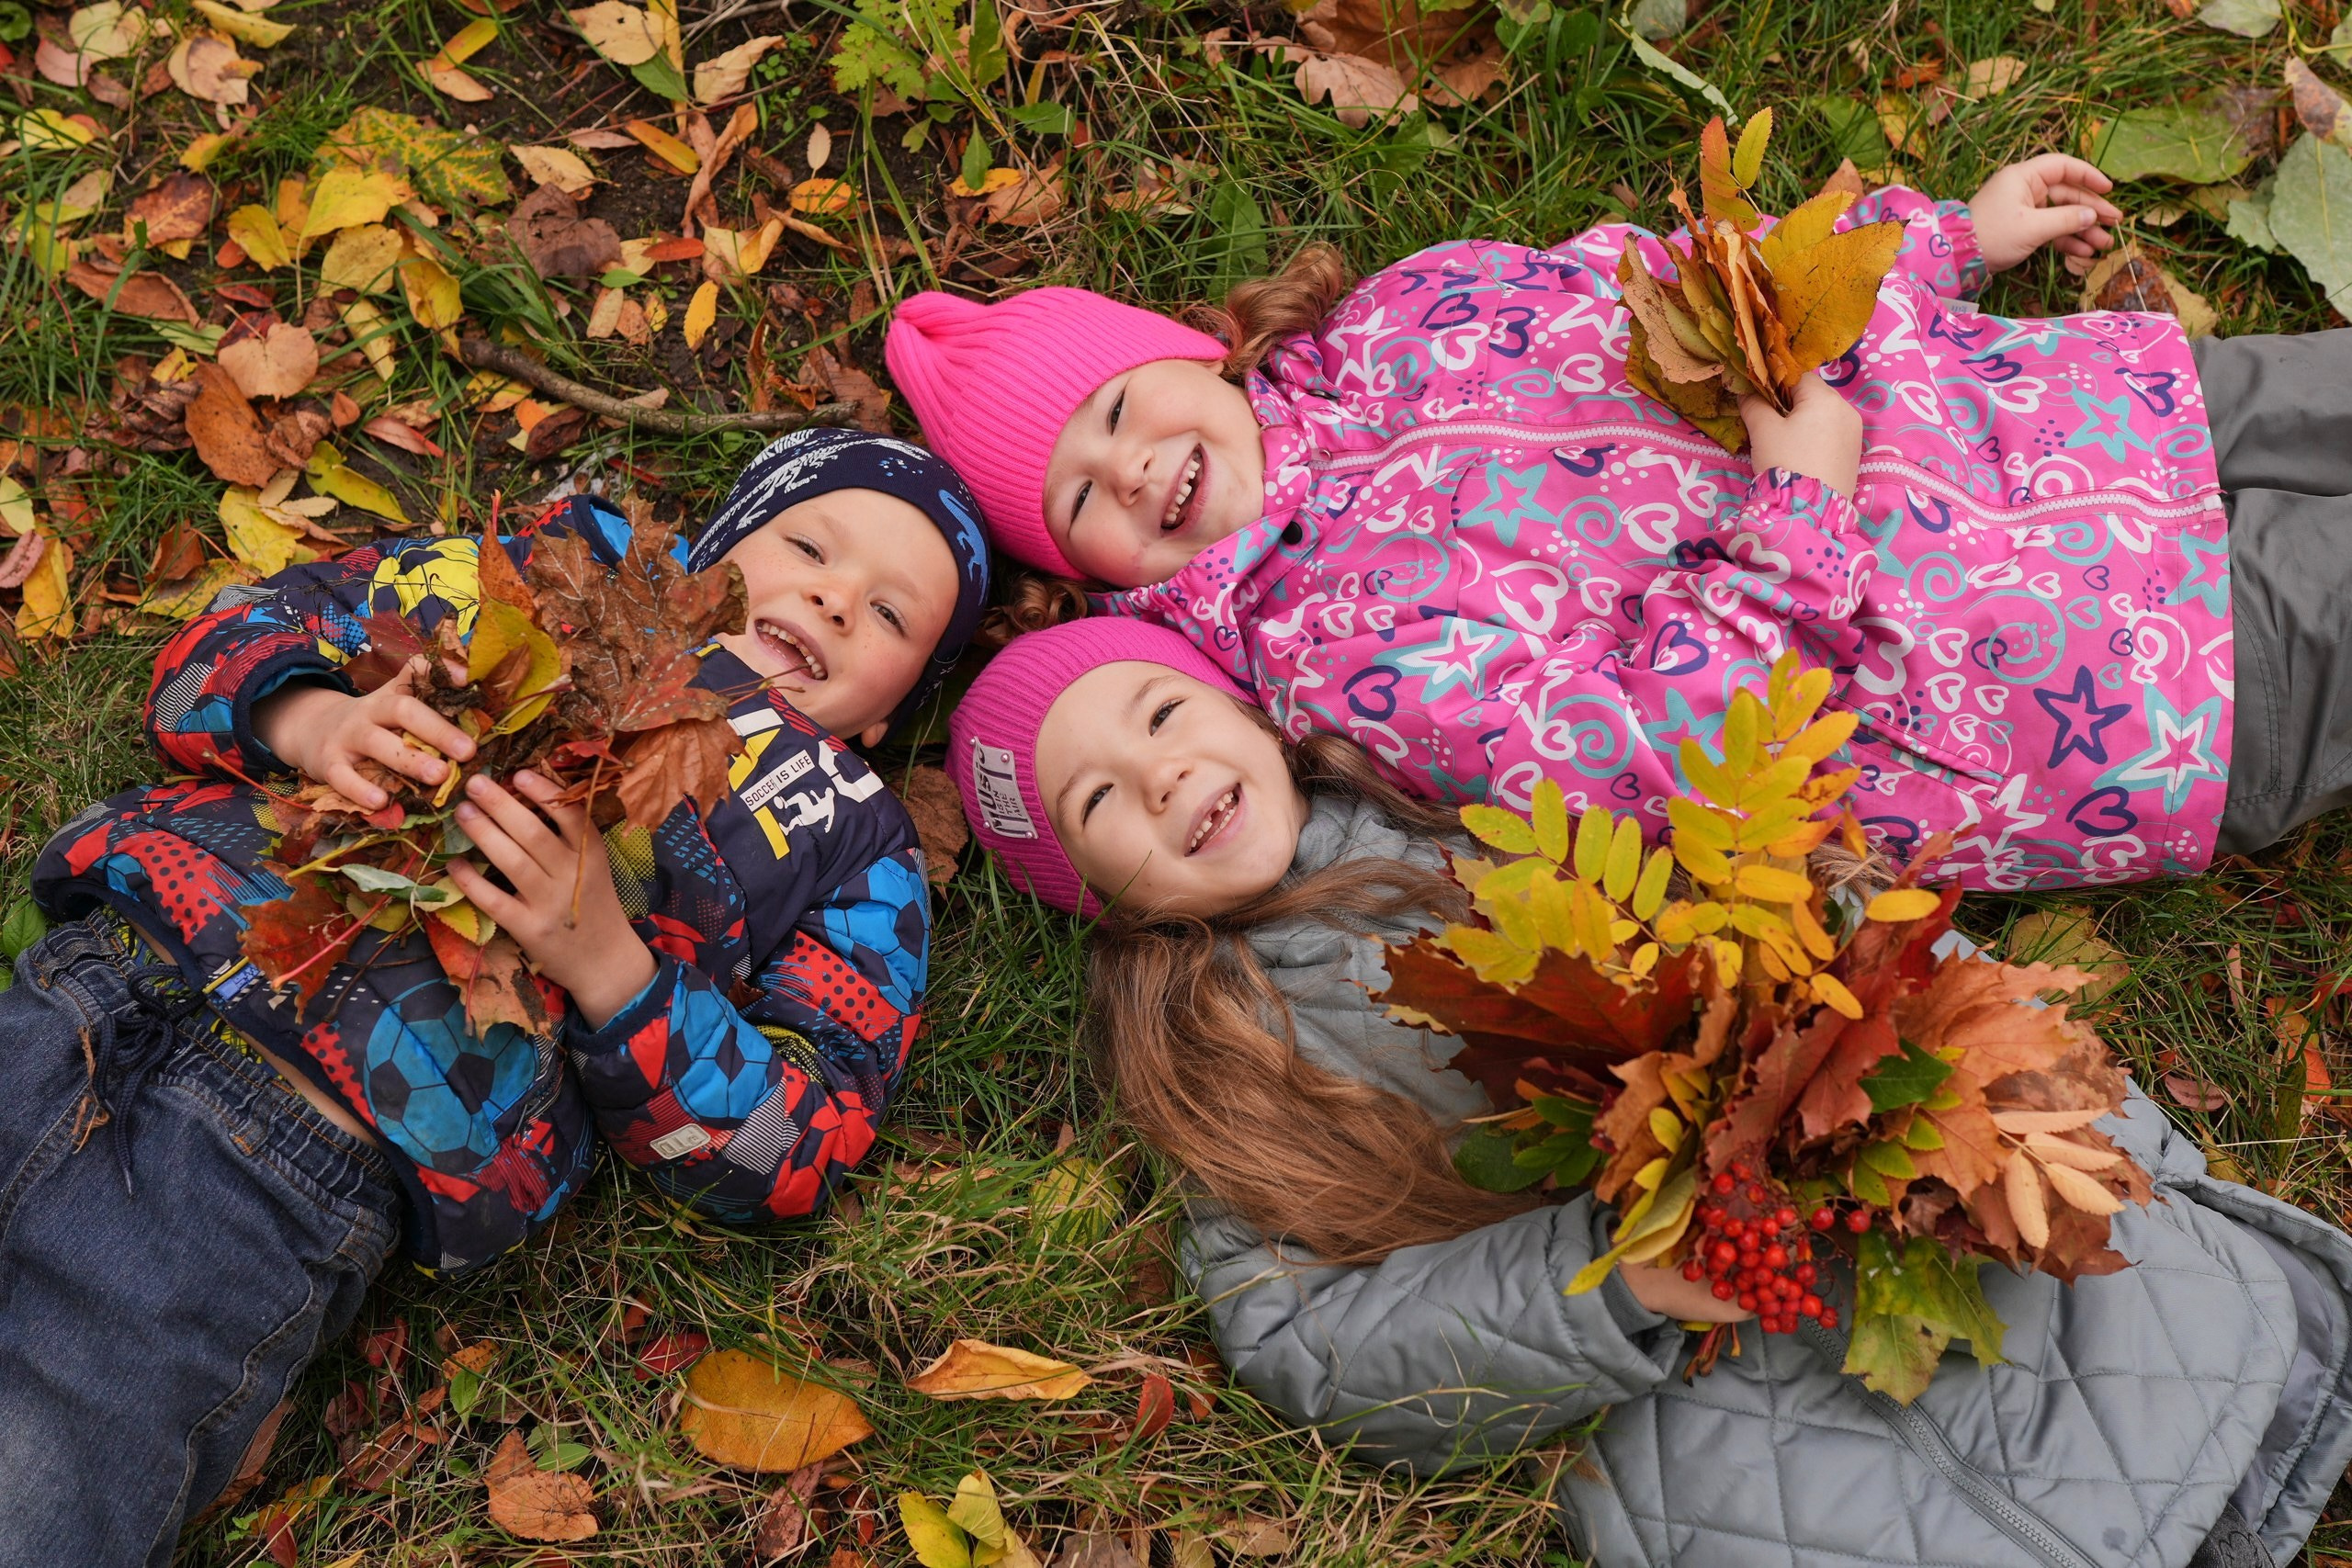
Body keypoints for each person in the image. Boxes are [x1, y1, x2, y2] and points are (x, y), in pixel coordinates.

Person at [942, 616, 2352, 1568]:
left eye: (1163, 710)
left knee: (2140, 1333)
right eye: (1102, 800)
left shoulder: (1495, 783)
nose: (1165, 770)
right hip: (1731, 1424)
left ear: (1241, 699)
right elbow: (1307, 1341)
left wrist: (2083, 1122)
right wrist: (1616, 1284)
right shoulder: (1218, 1067)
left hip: (1909, 1201)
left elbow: (1860, 924)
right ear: (1100, 900)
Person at [0, 428, 989, 1567]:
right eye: (810, 543)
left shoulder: (853, 841)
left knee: (48, 1462)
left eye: (890, 616)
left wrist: (613, 970)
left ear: (887, 715)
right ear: (708, 551)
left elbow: (794, 1148)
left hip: (280, 1167)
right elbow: (233, 634)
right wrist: (312, 720)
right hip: (100, 983)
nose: (832, 594)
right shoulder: (562, 576)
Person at [889, 152, 2352, 892]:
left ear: (1181, 350)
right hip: (2087, 680)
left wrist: (1934, 241)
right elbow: (1639, 759)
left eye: (1119, 408)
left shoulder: (1414, 305)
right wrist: (1799, 508)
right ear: (1082, 574)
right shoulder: (1329, 664)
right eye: (1080, 496)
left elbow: (1697, 284)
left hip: (2075, 409)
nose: (1135, 466)